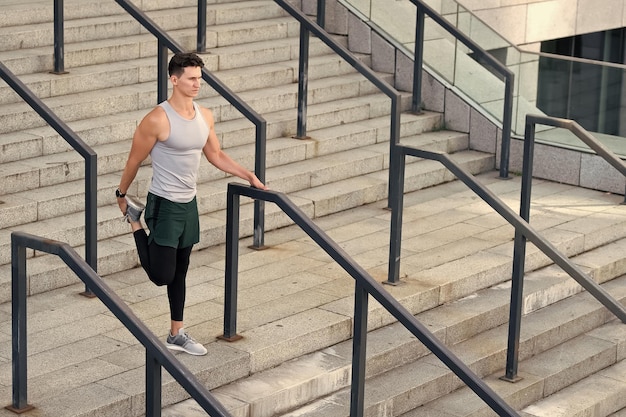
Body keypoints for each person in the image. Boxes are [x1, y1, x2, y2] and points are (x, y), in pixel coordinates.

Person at [116, 52, 267, 356]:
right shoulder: (157, 119)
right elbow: (135, 159)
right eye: (191, 78)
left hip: (188, 204)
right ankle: (135, 221)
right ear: (174, 79)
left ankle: (176, 334)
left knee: (180, 272)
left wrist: (247, 174)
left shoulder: (205, 115)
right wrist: (121, 195)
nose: (198, 83)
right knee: (162, 276)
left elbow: (216, 155)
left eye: (199, 77)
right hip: (164, 203)